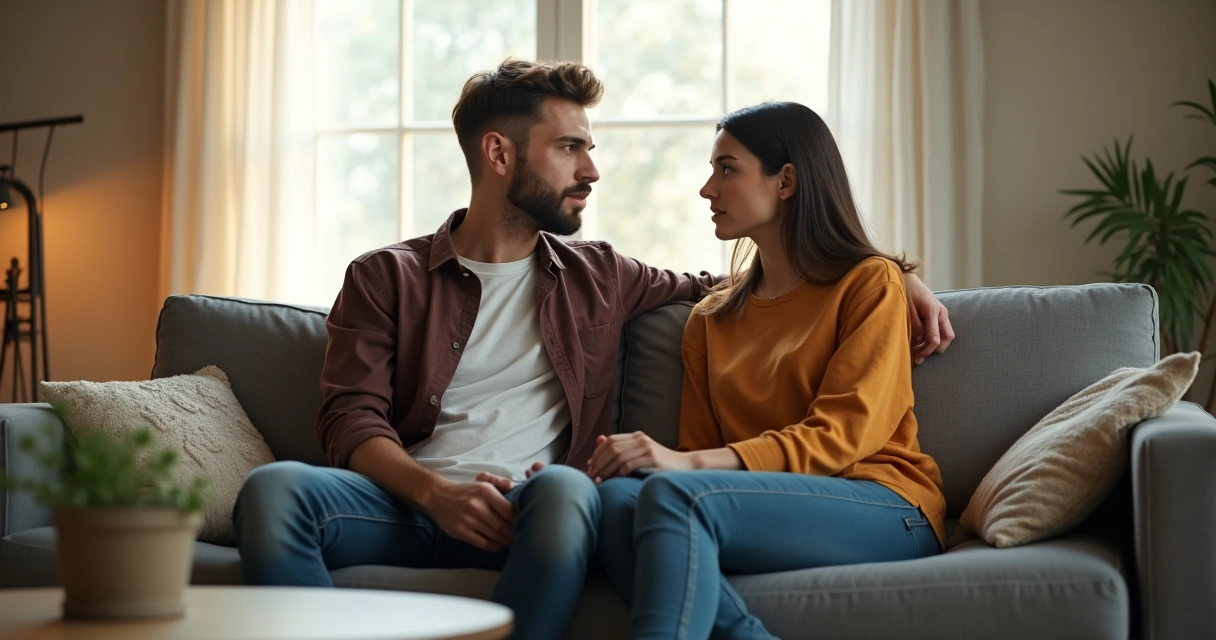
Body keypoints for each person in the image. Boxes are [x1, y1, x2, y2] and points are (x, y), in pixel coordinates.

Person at [232, 61, 952, 640]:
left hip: (539, 502)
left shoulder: (601, 274)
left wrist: (895, 272)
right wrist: (435, 494)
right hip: (403, 501)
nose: (592, 170)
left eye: (590, 149)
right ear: (499, 153)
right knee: (274, 490)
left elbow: (790, 291)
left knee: (586, 492)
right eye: (571, 148)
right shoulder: (384, 275)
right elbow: (349, 421)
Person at [590, 101, 949, 640]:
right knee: (615, 502)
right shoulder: (710, 319)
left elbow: (845, 433)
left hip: (886, 505)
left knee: (670, 493)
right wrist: (680, 467)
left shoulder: (870, 284)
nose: (707, 189)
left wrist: (682, 469)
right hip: (754, 504)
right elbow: (699, 456)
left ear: (785, 181)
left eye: (726, 168)